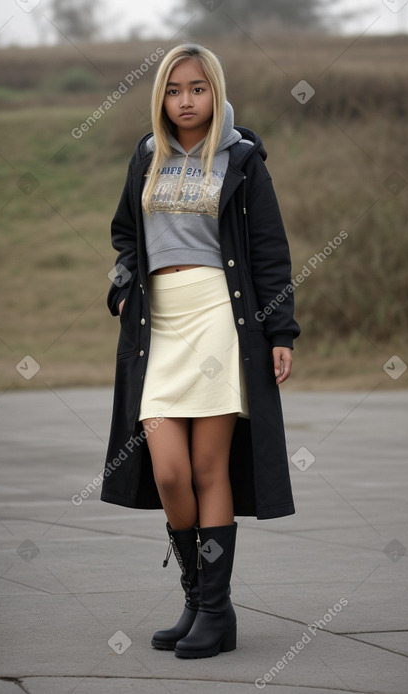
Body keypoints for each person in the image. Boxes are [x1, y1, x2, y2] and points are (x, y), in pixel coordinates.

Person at [101, 43, 301, 659]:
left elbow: (268, 249)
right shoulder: (146, 155)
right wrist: (123, 279)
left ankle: (213, 611)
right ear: (160, 97)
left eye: (196, 88)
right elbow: (125, 234)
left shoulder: (241, 158)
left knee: (210, 468)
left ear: (215, 92)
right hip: (159, 323)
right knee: (167, 470)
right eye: (173, 90)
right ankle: (198, 596)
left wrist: (280, 331)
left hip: (220, 315)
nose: (185, 100)